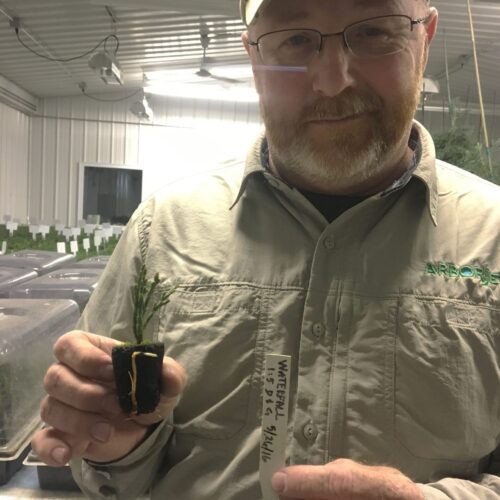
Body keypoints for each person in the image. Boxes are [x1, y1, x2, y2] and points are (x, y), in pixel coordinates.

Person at [32, 0, 500, 498]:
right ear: (254, 58)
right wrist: (121, 449)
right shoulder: (163, 230)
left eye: (374, 33)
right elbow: (102, 462)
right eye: (294, 39)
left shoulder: (492, 237)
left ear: (424, 40)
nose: (332, 80)